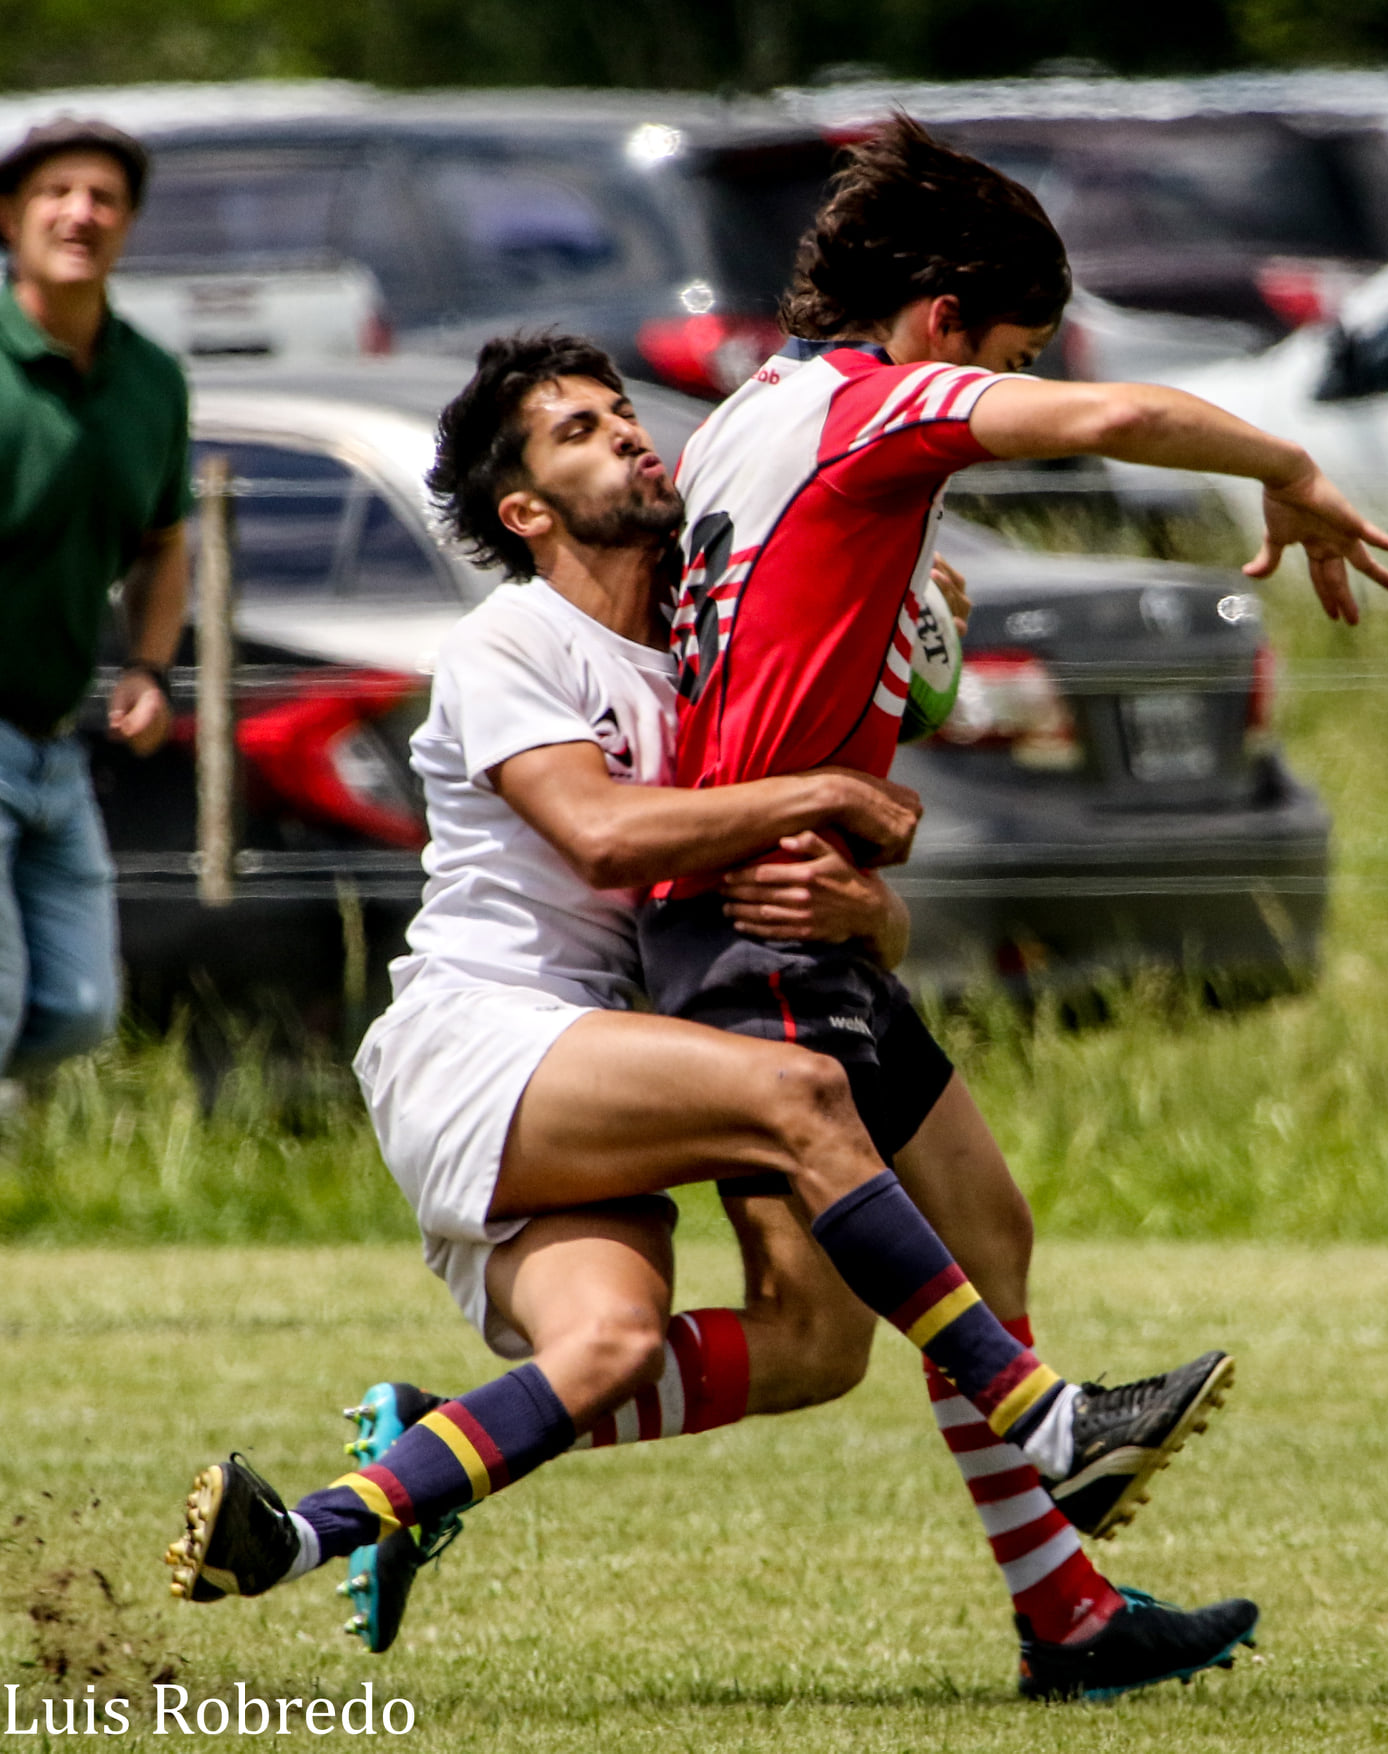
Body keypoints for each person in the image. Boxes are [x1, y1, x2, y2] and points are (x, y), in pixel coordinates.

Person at [166, 333, 1259, 1703]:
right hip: (482, 1044)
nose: (626, 434)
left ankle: (336, 1512)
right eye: (577, 430)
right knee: (800, 1100)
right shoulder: (513, 637)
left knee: (780, 1345)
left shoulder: (703, 657)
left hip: (614, 1058)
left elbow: (795, 864)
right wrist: (828, 799)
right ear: (526, 510)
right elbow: (606, 832)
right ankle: (1046, 1421)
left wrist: (871, 897)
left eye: (623, 412)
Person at [632, 114, 1388, 1680]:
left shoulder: (748, 417)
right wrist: (1287, 465)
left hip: (783, 897)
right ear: (939, 324)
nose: (1026, 377)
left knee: (972, 1239)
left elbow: (780, 651)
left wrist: (894, 671)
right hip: (758, 914)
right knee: (810, 1334)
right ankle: (423, 1455)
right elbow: (1111, 418)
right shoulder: (871, 404)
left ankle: (1069, 1620)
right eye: (1016, 349)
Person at [0, 117, 188, 1077]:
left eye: (104, 197)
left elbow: (164, 542)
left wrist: (149, 666)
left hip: (51, 739)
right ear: (8, 218)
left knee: (76, 1007)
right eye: (55, 193)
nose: (81, 213)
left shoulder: (151, 379)